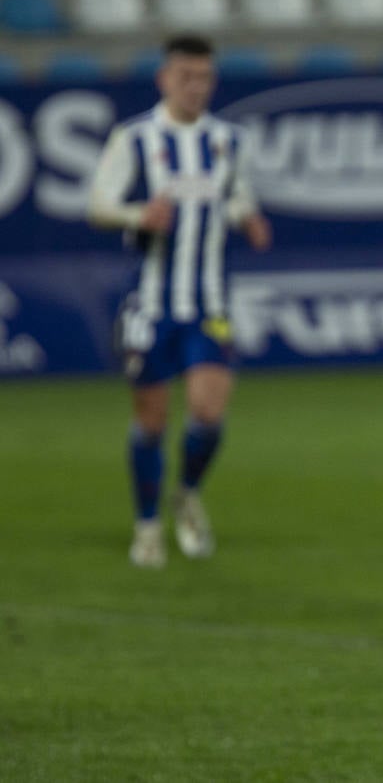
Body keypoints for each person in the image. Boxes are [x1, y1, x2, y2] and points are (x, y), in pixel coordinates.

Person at [89, 34, 272, 569]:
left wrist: (248, 218)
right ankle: (147, 526)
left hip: (209, 305)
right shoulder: (136, 138)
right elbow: (100, 204)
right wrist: (137, 216)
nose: (196, 87)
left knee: (208, 412)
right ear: (164, 79)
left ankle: (187, 493)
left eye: (204, 77)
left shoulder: (228, 141)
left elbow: (236, 194)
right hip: (151, 305)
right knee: (151, 422)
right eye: (185, 76)